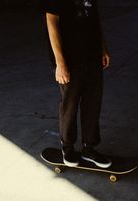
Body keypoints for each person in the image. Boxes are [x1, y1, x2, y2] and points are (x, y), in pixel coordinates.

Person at [40, 0, 112, 168]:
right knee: (70, 104)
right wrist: (60, 62)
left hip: (92, 55)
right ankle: (68, 147)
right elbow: (51, 21)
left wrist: (102, 46)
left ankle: (89, 148)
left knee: (93, 103)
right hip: (70, 59)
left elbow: (94, 19)